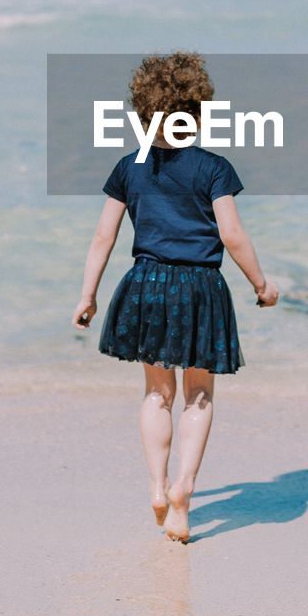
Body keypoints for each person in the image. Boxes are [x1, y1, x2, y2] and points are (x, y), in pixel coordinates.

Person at [72, 51, 279, 543]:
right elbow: (231, 235)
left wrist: (88, 294)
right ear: (199, 109)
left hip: (145, 285)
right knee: (199, 393)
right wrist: (261, 284)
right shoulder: (213, 168)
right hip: (200, 288)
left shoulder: (130, 166)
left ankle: (158, 486)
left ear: (143, 112)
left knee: (156, 394)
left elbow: (103, 237)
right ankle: (186, 491)